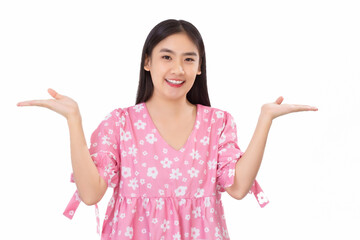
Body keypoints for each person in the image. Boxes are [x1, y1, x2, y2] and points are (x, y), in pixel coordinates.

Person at [17, 19, 318, 240]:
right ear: (147, 62)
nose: (178, 69)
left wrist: (265, 119)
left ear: (200, 67)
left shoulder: (218, 123)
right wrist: (73, 119)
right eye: (166, 57)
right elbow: (90, 193)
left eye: (189, 59)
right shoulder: (120, 123)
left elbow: (238, 188)